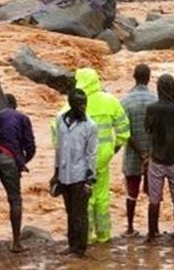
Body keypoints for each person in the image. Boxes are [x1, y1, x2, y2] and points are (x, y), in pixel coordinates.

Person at [52, 68, 129, 245]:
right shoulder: (110, 101)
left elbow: (57, 132)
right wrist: (113, 149)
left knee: (84, 199)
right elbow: (124, 129)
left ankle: (86, 237)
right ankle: (104, 234)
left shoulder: (72, 104)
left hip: (80, 161)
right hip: (103, 157)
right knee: (102, 196)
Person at [0, 93, 35, 252]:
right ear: (14, 106)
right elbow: (30, 146)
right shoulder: (22, 118)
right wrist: (22, 162)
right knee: (14, 199)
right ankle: (16, 243)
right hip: (7, 157)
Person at [52, 89, 98, 258]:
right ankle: (72, 245)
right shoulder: (60, 121)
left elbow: (91, 154)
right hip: (65, 175)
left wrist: (89, 180)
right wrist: (56, 173)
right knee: (70, 212)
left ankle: (80, 249)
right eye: (79, 103)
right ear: (71, 103)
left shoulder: (90, 126)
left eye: (84, 103)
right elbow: (58, 149)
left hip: (80, 176)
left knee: (80, 214)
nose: (83, 106)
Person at [145, 74, 174, 243]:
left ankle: (151, 235)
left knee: (154, 198)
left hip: (157, 158)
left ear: (158, 89)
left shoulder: (152, 108)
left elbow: (148, 128)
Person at [120, 64, 157, 237]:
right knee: (153, 194)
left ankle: (129, 227)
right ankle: (153, 229)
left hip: (133, 154)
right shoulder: (156, 99)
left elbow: (124, 132)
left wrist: (140, 151)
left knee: (131, 192)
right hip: (153, 153)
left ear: (134, 77)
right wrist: (147, 152)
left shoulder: (125, 101)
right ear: (149, 78)